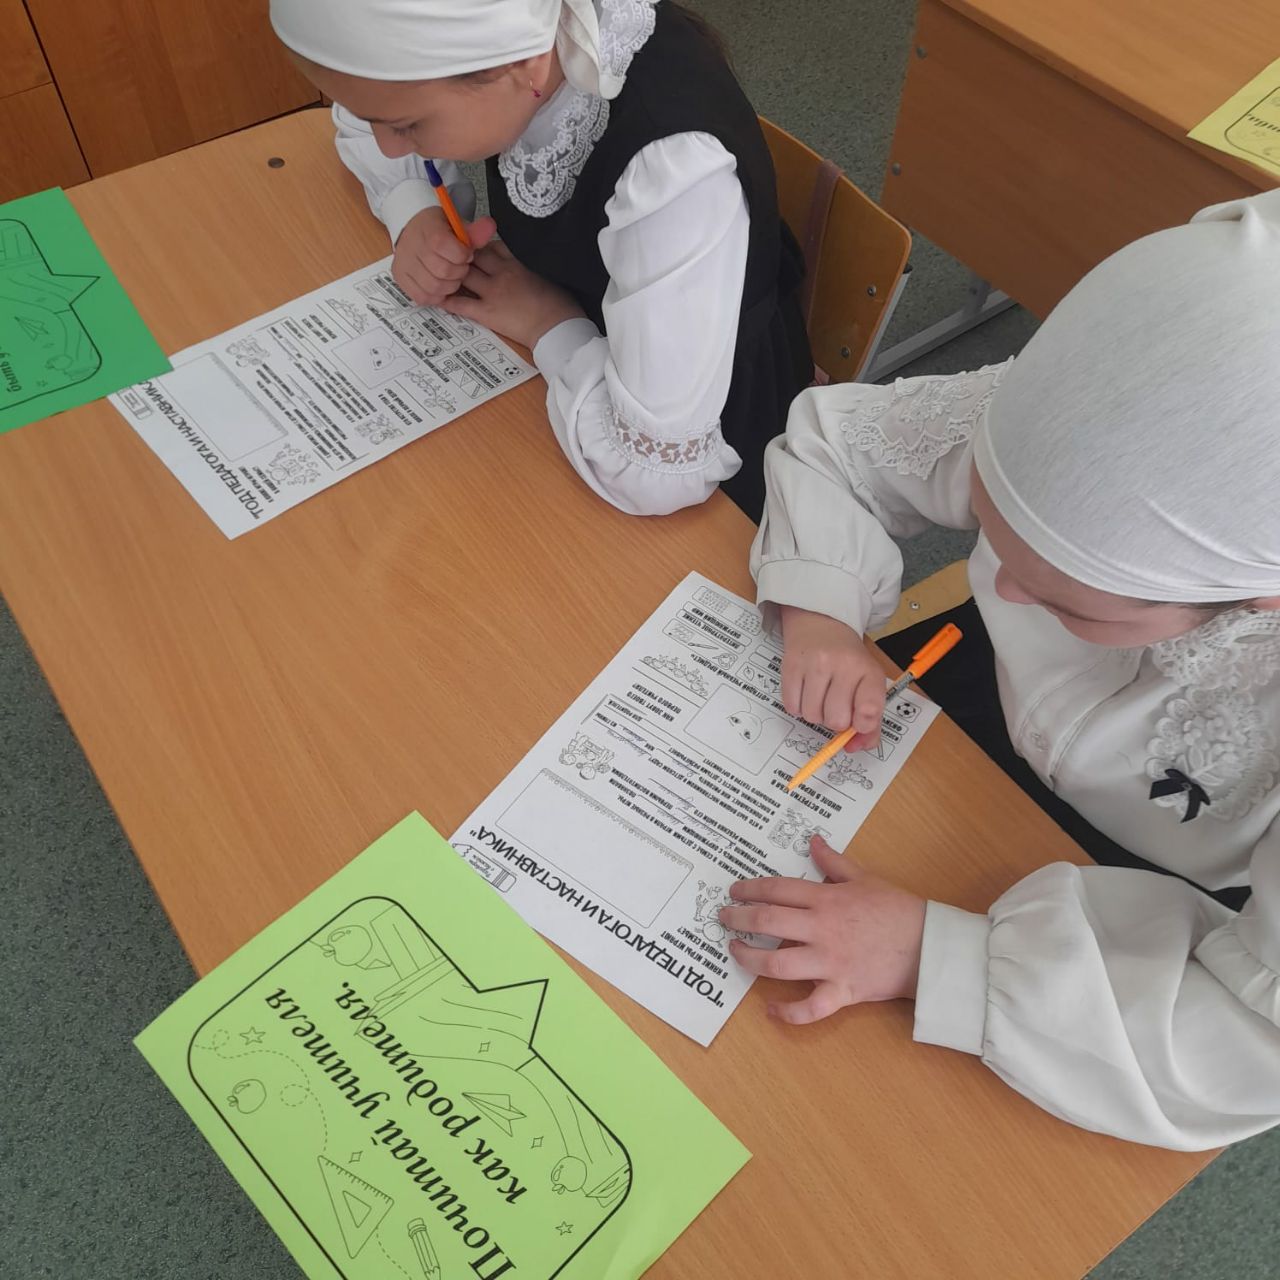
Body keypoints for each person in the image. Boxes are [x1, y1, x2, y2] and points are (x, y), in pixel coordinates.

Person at [723, 190, 1280, 1151]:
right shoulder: (1106, 405)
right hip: (966, 730)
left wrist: (937, 958)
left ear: (1255, 603)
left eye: (1070, 600)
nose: (1002, 587)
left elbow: (1245, 1040)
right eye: (991, 531)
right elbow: (840, 445)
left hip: (1161, 894)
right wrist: (820, 613)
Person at [269, 0, 812, 519]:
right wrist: (413, 209)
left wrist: (545, 321)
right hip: (563, 370)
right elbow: (365, 109)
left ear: (521, 61)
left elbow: (656, 473)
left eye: (408, 127)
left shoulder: (674, 172)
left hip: (695, 432)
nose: (389, 146)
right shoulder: (524, 57)